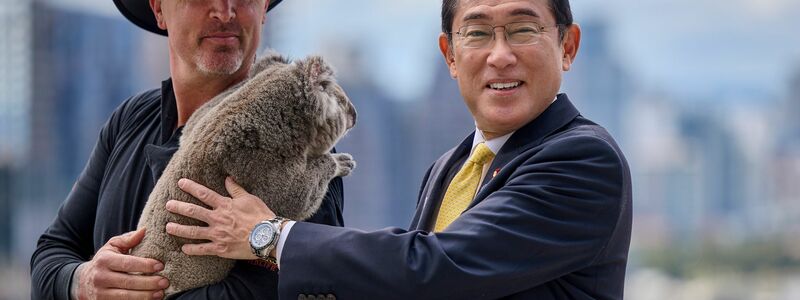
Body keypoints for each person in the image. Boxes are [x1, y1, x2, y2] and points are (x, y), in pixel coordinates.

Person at [164, 0, 633, 299]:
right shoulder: (449, 167)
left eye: (523, 30)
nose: (500, 54)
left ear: (567, 47)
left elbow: (436, 268)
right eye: (477, 33)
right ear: (450, 55)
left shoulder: (582, 160)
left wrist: (269, 235)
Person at [30, 0, 348, 299]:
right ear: (159, 8)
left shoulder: (304, 136)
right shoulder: (131, 119)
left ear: (263, 7)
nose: (224, 11)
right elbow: (51, 253)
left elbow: (282, 289)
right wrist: (82, 280)